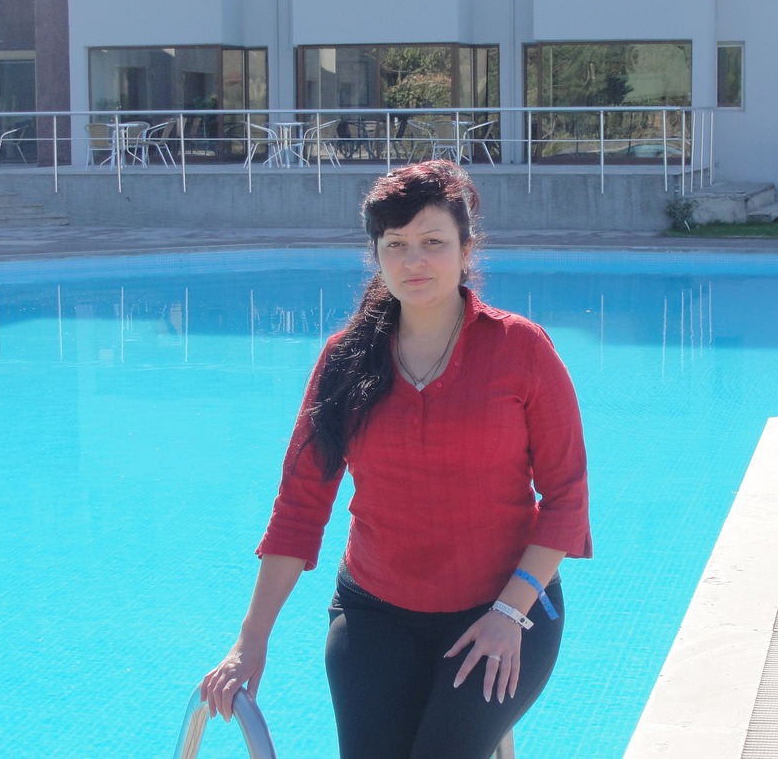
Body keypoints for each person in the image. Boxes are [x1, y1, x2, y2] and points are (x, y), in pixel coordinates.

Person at [200, 159, 591, 758]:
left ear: (466, 249)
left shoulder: (521, 350)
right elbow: (300, 505)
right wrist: (250, 640)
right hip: (376, 614)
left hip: (507, 604)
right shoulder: (346, 359)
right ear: (376, 255)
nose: (414, 261)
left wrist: (509, 613)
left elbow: (566, 499)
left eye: (433, 242)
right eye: (396, 244)